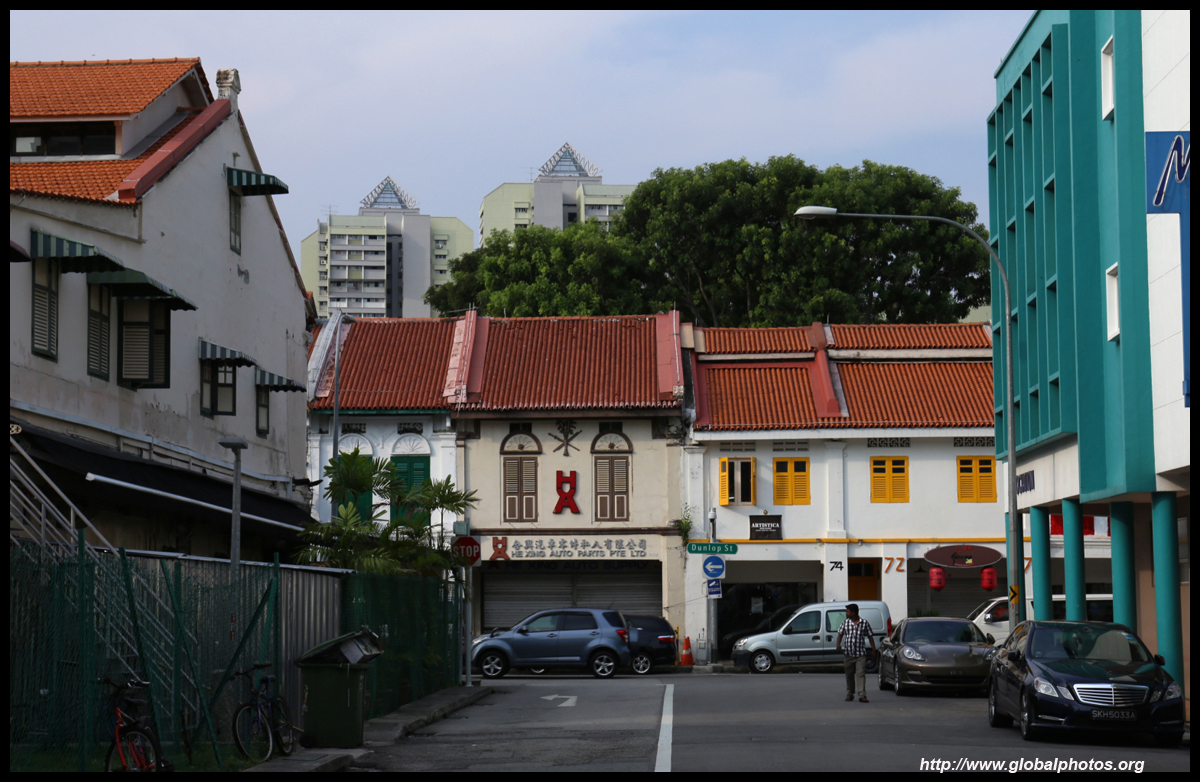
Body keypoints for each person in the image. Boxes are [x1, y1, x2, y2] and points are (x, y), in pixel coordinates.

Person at [835, 603, 877, 702]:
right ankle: (850, 693)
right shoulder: (845, 623)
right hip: (848, 654)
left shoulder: (864, 623)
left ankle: (862, 695)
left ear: (853, 612)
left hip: (860, 655)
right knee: (849, 675)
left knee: (860, 674)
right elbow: (840, 634)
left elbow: (870, 636)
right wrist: (838, 645)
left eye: (848, 612)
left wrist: (873, 650)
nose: (846, 613)